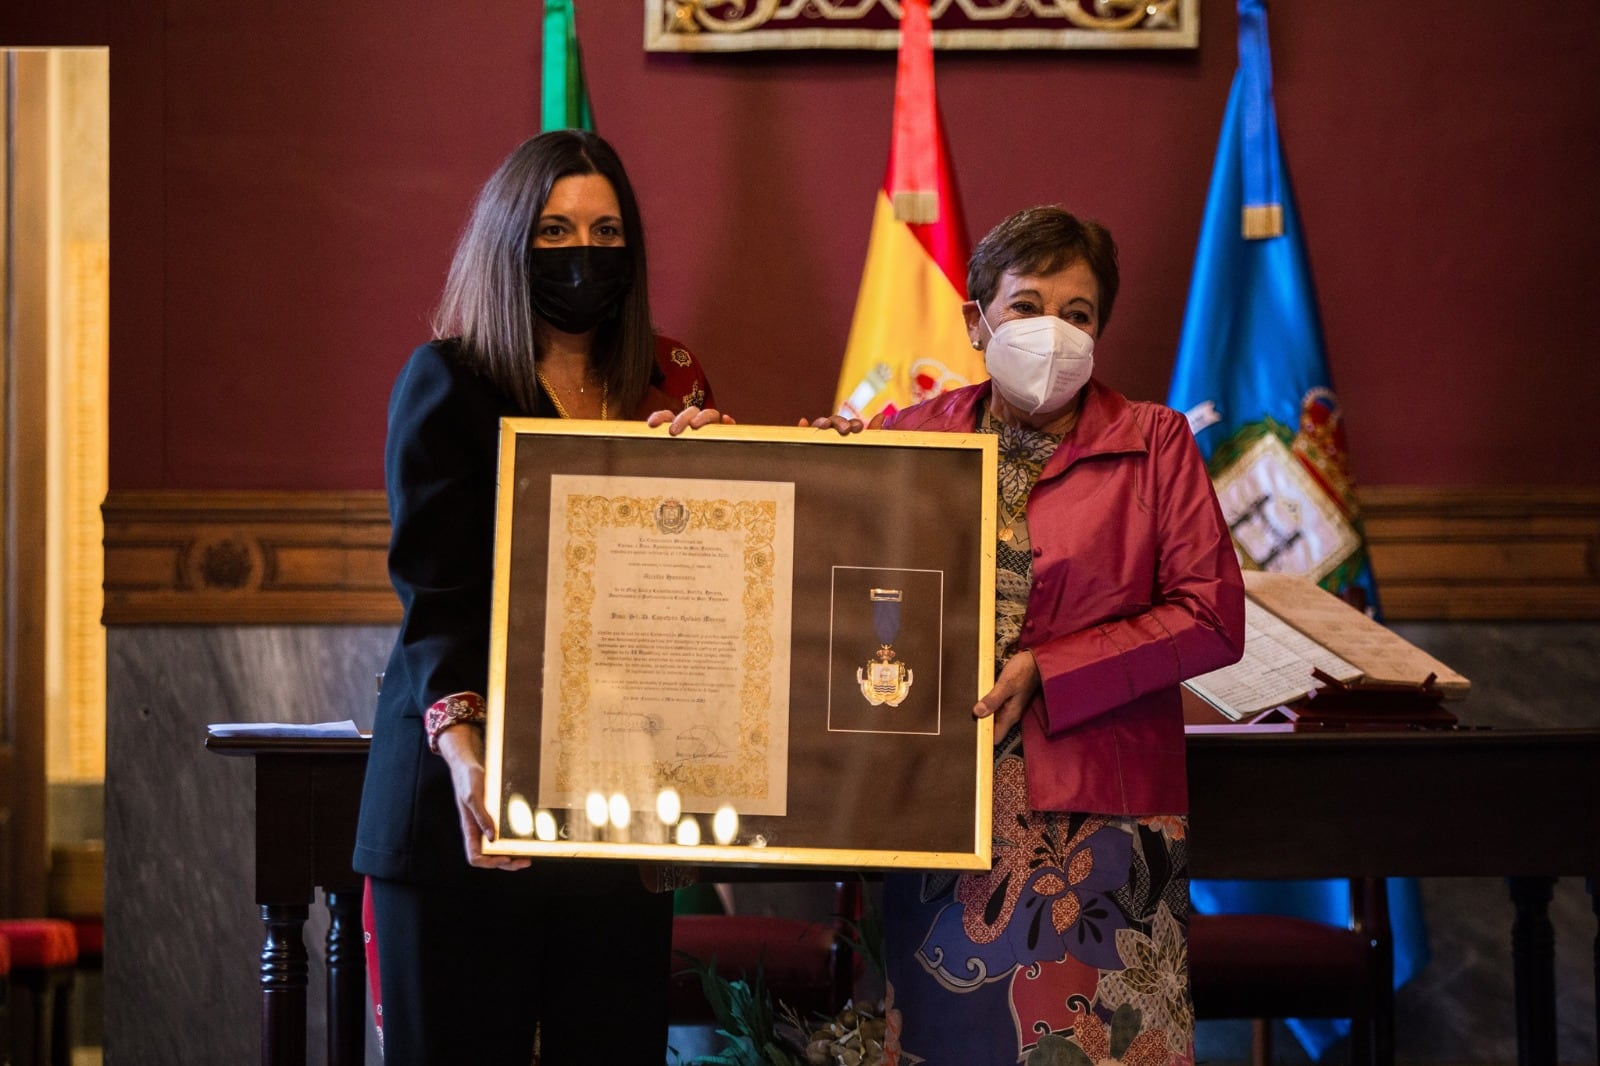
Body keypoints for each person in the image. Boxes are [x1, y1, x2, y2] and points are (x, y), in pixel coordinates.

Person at [811, 205, 1245, 1064]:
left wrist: (1053, 666)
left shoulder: (1154, 443)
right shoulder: (909, 434)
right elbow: (844, 609)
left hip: (1101, 823)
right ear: (977, 322)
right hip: (938, 811)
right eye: (1026, 305)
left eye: (1077, 314)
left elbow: (1211, 616)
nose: (1052, 332)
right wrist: (816, 482)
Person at [353, 129, 727, 1065]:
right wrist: (466, 754)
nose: (582, 253)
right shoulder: (447, 378)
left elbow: (711, 595)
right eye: (555, 230)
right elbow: (432, 591)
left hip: (616, 814)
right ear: (508, 239)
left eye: (607, 231)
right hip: (463, 806)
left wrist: (720, 478)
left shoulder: (667, 384)